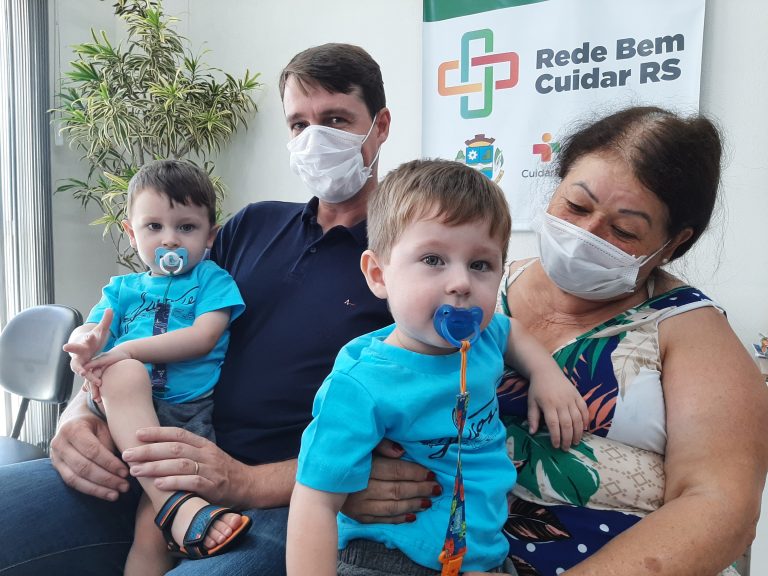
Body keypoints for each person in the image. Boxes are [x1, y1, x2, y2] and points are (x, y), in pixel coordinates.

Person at [0, 43, 407, 576]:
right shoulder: (252, 225)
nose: (314, 139)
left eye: (335, 120)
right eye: (298, 124)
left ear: (379, 126)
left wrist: (245, 482)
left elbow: (403, 444)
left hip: (283, 500)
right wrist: (81, 412)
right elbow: (153, 318)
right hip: (152, 459)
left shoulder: (407, 261)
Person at [344, 106, 768, 576]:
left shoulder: (689, 329)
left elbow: (719, 506)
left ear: (671, 244)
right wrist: (353, 481)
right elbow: (369, 389)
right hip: (415, 551)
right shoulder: (471, 285)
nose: (586, 234)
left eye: (624, 230)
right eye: (577, 206)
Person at [287, 159, 588, 576]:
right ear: (379, 275)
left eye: (480, 265)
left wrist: (545, 373)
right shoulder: (361, 383)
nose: (461, 283)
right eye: (433, 259)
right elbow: (314, 501)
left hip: (482, 556)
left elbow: (510, 331)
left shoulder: (483, 338)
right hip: (389, 558)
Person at [61, 159, 250, 575]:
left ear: (210, 236)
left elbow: (203, 337)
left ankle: (166, 510)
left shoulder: (213, 281)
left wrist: (128, 350)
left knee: (150, 536)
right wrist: (86, 341)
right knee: (123, 373)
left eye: (186, 227)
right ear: (131, 233)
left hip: (182, 416)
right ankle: (176, 505)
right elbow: (94, 328)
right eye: (153, 226)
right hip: (118, 415)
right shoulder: (121, 289)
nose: (170, 240)